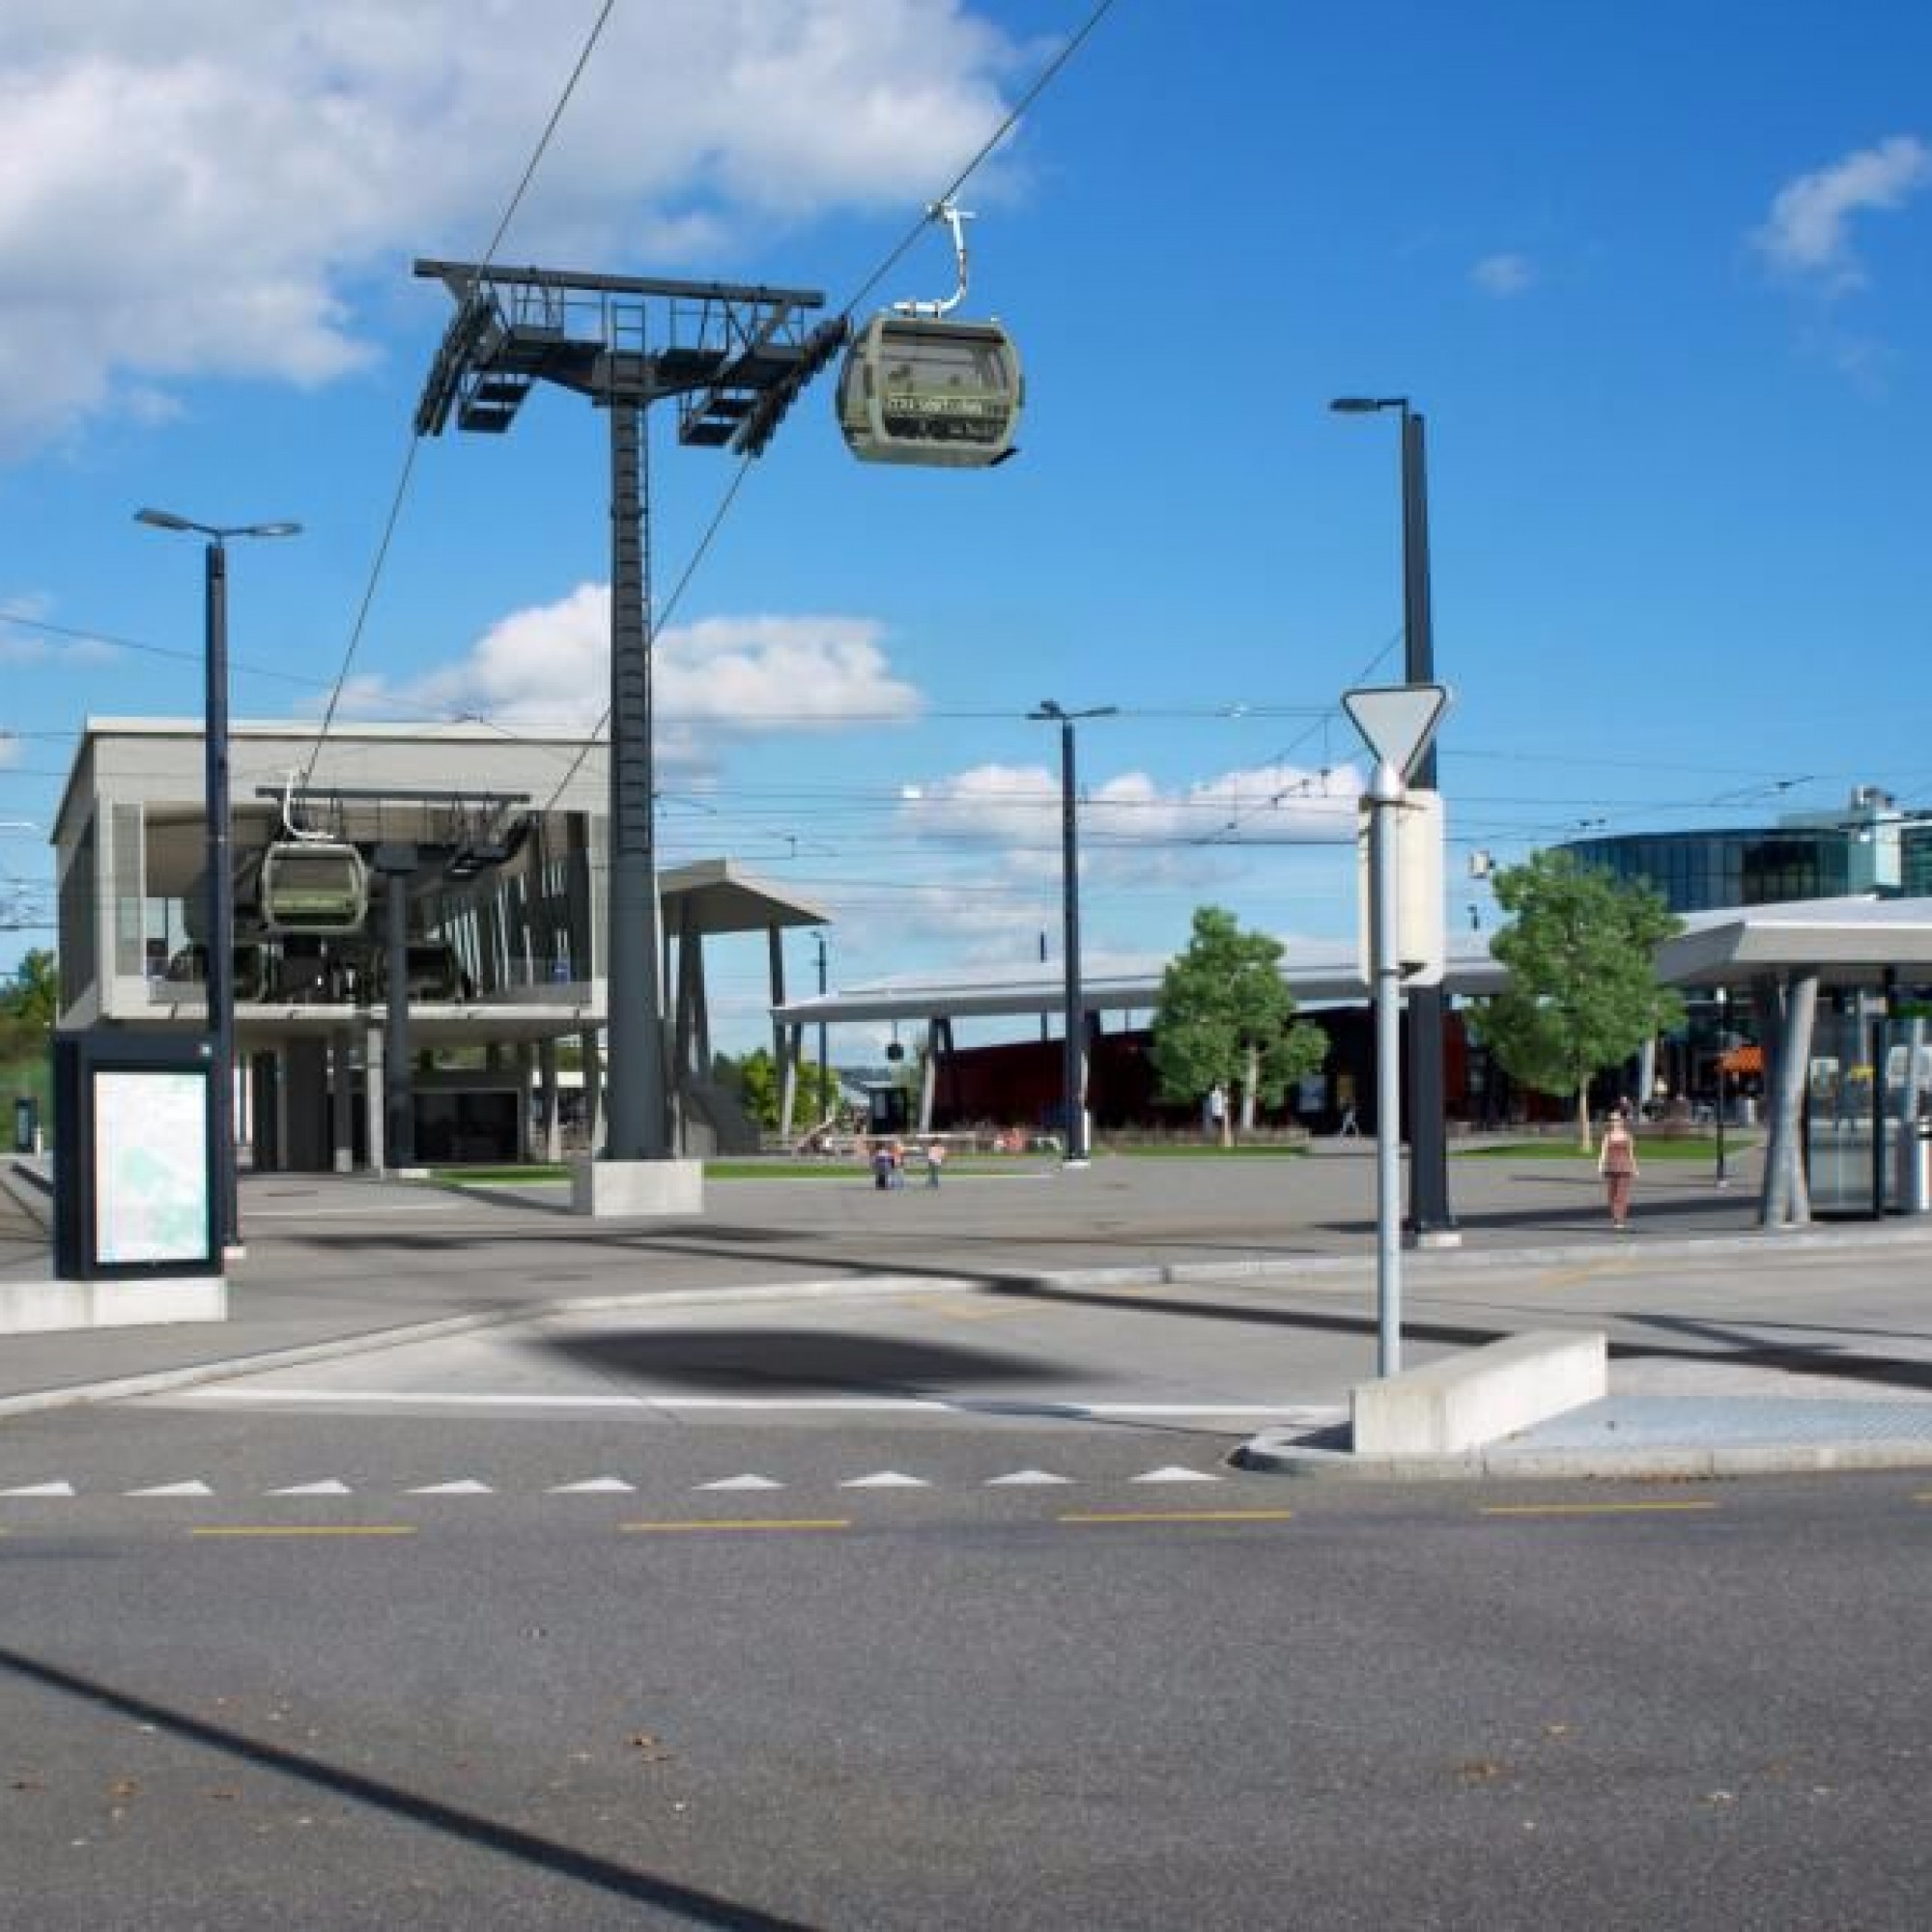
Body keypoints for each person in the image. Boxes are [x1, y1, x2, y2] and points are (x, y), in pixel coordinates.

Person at [1598, 1103, 1639, 1230]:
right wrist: (1600, 1164)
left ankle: (1619, 1219)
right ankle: (1616, 1216)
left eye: (1615, 1120)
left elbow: (1631, 1154)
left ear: (1621, 1121)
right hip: (1611, 1168)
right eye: (1611, 1120)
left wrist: (1635, 1167)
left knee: (1621, 1195)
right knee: (1611, 1195)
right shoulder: (1607, 1136)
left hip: (1625, 1168)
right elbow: (1603, 1151)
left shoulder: (1628, 1136)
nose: (1613, 1122)